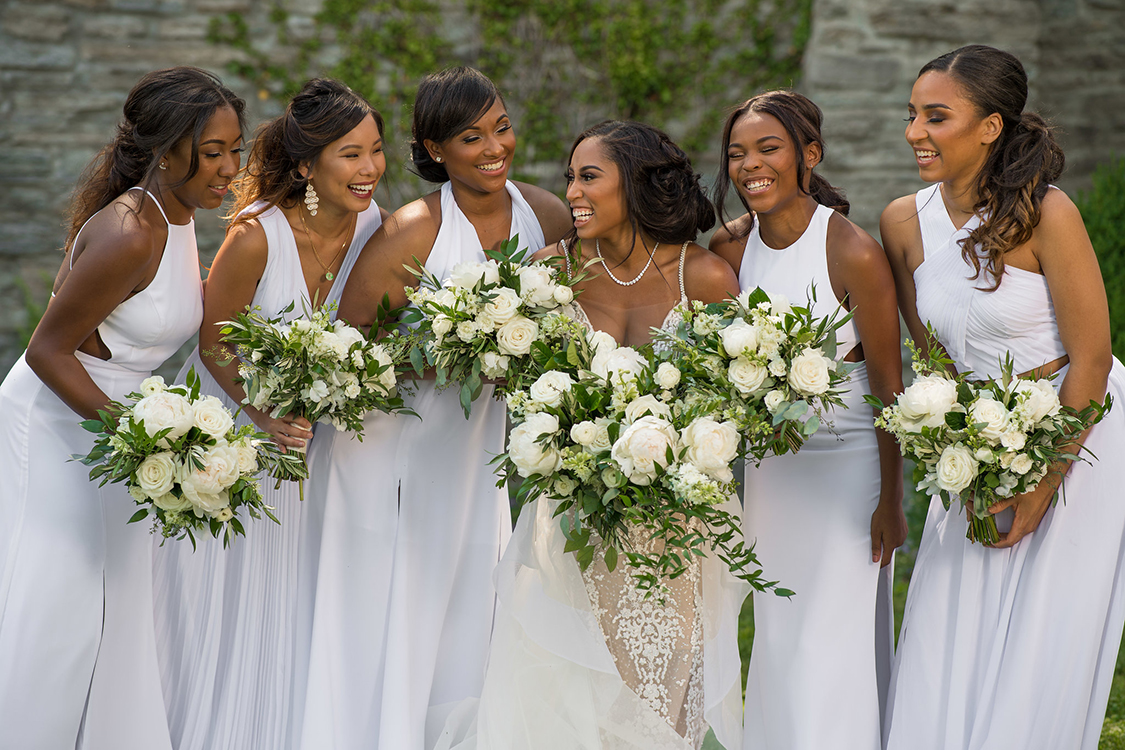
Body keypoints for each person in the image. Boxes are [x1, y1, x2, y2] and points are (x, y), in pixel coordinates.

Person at [435, 120, 749, 750]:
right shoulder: (551, 274)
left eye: (588, 177)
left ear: (633, 185)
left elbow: (730, 401)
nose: (572, 192)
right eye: (570, 177)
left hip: (675, 520)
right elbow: (515, 378)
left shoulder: (704, 278)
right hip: (574, 515)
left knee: (661, 689)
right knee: (571, 685)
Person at [297, 66, 570, 750]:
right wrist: (463, 351)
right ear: (434, 147)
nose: (492, 148)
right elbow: (349, 352)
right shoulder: (410, 232)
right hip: (391, 452)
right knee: (399, 601)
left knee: (470, 593)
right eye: (470, 137)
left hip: (474, 448)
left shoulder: (546, 214)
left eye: (501, 128)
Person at [881, 44, 1125, 749]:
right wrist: (958, 444)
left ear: (990, 126)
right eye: (910, 115)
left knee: (1041, 633)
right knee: (946, 614)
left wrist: (1041, 484)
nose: (914, 133)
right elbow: (929, 354)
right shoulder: (902, 221)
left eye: (935, 116)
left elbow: (1092, 356)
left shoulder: (1047, 213)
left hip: (1080, 431)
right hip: (973, 440)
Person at [0, 67, 244, 750]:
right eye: (214, 151)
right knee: (60, 603)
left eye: (235, 149)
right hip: (54, 418)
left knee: (123, 600)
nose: (229, 167)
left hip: (112, 421)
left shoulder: (182, 215)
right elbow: (48, 351)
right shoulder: (132, 231)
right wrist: (142, 441)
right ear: (167, 152)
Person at [152, 78, 388, 750]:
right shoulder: (259, 236)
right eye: (350, 154)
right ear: (309, 165)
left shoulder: (377, 230)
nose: (369, 168)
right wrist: (262, 417)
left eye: (374, 152)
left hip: (312, 448)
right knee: (216, 598)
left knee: (287, 602)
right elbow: (212, 340)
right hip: (232, 432)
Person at [708, 90, 905, 750]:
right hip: (772, 470)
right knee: (780, 628)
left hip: (848, 467)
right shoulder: (730, 249)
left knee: (831, 636)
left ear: (807, 156)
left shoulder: (851, 250)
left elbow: (887, 385)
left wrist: (892, 499)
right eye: (736, 153)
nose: (749, 165)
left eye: (767, 149)